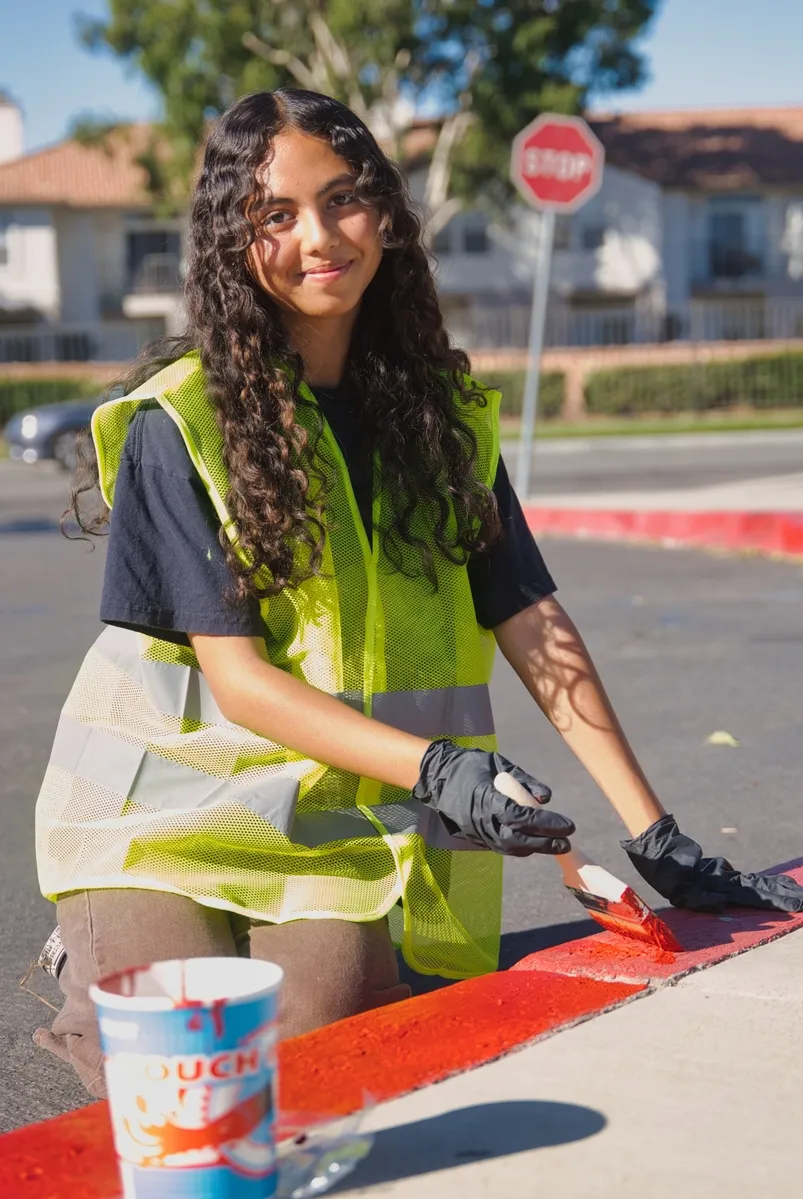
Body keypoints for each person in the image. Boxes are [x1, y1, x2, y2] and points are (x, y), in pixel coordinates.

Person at [32, 89, 803, 1097]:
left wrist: (655, 830)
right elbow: (239, 681)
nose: (319, 237)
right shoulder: (177, 426)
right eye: (275, 214)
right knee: (179, 1039)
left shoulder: (440, 417)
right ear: (232, 237)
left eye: (344, 199)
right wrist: (439, 772)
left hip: (313, 819)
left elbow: (532, 621)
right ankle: (90, 953)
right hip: (154, 823)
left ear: (386, 214)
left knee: (329, 1024)